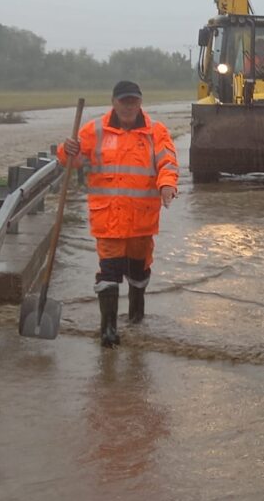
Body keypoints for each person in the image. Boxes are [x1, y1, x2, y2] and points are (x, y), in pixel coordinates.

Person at [59, 80, 179, 347]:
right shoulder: (95, 130)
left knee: (138, 271)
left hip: (142, 220)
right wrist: (66, 150)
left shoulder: (155, 132)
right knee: (109, 272)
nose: (128, 106)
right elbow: (73, 161)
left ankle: (136, 315)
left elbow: (168, 162)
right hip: (108, 219)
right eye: (123, 101)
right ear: (114, 102)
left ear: (140, 103)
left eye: (133, 101)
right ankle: (109, 329)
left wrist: (168, 185)